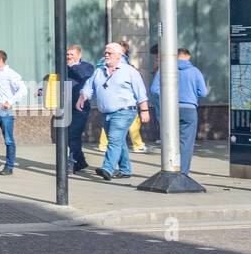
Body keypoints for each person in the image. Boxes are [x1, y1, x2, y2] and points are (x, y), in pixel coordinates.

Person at [78, 42, 152, 181]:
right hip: (106, 113)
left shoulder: (129, 71)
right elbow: (89, 86)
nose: (106, 55)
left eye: (109, 53)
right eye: (105, 52)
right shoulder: (100, 71)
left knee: (114, 140)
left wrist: (144, 110)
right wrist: (83, 96)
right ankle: (125, 169)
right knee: (119, 141)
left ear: (119, 55)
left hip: (124, 111)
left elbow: (140, 92)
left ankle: (108, 168)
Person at [150, 47, 208, 175]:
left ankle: (169, 169)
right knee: (186, 143)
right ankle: (183, 173)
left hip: (169, 110)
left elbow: (154, 89)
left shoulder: (164, 69)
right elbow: (203, 92)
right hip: (189, 110)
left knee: (169, 140)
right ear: (188, 57)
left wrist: (169, 96)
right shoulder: (195, 71)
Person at [98, 39, 148, 154]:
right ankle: (137, 145)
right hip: (124, 100)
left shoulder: (102, 63)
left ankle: (104, 145)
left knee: (109, 126)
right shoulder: (121, 60)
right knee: (131, 123)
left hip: (108, 99)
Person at [65, 44, 95, 174]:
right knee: (68, 136)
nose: (69, 57)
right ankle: (81, 161)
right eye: (67, 54)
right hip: (66, 106)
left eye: (72, 54)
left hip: (81, 106)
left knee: (74, 134)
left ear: (79, 55)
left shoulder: (87, 67)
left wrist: (73, 66)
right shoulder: (64, 67)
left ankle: (71, 162)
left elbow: (84, 76)